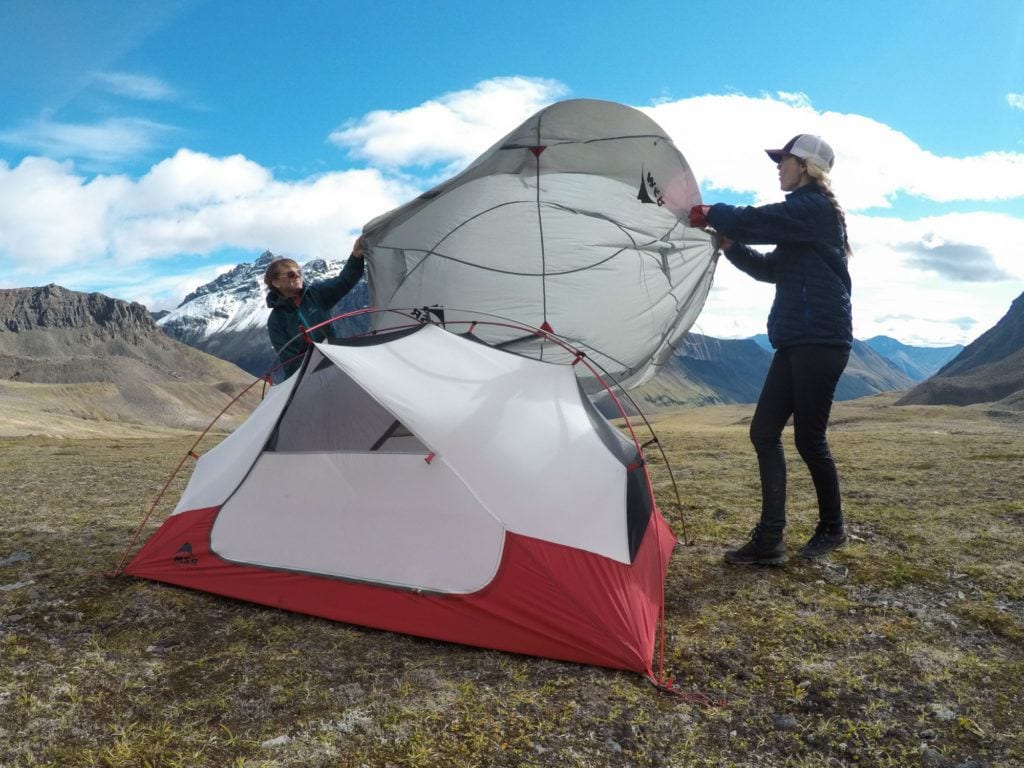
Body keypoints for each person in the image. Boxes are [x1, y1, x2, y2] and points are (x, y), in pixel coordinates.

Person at [689, 134, 853, 565]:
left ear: (806, 167)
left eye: (784, 160)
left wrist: (711, 213)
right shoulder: (803, 220)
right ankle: (770, 541)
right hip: (797, 339)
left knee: (809, 439)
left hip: (820, 340)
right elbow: (769, 269)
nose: (777, 166)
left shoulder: (813, 207)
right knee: (764, 432)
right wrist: (730, 246)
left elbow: (756, 219)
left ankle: (833, 528)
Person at [264, 237, 365, 378]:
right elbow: (288, 361)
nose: (297, 275)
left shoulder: (316, 293)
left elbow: (344, 281)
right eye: (291, 274)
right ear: (276, 282)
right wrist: (314, 372)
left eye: (299, 271)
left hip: (335, 361)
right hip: (307, 376)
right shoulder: (276, 320)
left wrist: (356, 257)